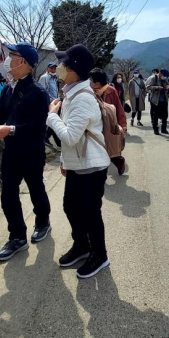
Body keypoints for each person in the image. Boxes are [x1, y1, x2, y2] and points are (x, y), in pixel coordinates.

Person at [0, 42, 51, 261]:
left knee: (35, 189)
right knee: (8, 194)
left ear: (23, 62)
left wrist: (10, 129)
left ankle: (42, 222)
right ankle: (17, 237)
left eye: (11, 56)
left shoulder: (38, 92)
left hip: (31, 151)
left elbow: (40, 127)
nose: (7, 60)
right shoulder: (10, 87)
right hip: (11, 151)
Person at [47, 44, 112, 279]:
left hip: (91, 166)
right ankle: (82, 246)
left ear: (73, 69)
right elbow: (71, 139)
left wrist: (51, 115)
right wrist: (65, 161)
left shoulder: (82, 98)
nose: (59, 67)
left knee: (90, 212)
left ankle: (99, 254)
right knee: (71, 207)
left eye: (63, 64)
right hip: (78, 164)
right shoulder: (71, 92)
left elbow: (70, 136)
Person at [90, 68, 127, 175]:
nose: (89, 82)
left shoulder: (111, 90)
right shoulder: (90, 92)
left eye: (91, 80)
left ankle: (119, 162)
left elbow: (119, 108)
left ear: (97, 82)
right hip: (96, 123)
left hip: (109, 124)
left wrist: (122, 124)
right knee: (98, 148)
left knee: (111, 148)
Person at [39, 62, 62, 150]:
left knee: (53, 122)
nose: (53, 70)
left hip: (56, 102)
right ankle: (56, 142)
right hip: (49, 103)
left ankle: (47, 137)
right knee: (53, 121)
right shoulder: (44, 78)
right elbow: (42, 91)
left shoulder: (55, 78)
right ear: (48, 69)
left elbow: (56, 90)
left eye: (54, 68)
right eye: (51, 68)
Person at [145, 68, 169, 135]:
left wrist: (167, 87)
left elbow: (168, 84)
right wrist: (156, 87)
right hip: (155, 100)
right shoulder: (153, 78)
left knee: (165, 115)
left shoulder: (165, 79)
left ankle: (164, 129)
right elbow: (148, 87)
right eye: (164, 75)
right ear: (160, 73)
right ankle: (155, 129)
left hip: (164, 99)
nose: (164, 77)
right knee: (155, 115)